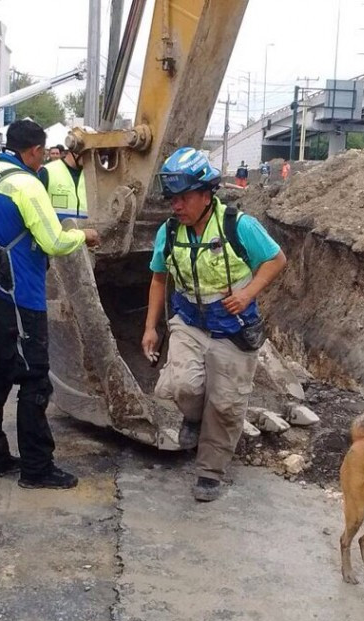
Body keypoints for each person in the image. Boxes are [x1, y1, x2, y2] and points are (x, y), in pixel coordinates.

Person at [141, 147, 287, 502]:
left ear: (206, 195)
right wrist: (150, 328)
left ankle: (209, 471)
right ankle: (192, 418)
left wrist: (249, 293)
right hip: (189, 321)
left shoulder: (239, 226)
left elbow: (276, 260)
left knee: (226, 405)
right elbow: (159, 279)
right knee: (184, 386)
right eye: (172, 199)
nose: (176, 206)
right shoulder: (169, 232)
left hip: (233, 328)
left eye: (184, 198)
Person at [0, 119, 100, 488]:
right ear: (33, 151)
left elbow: (16, 222)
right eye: (42, 151)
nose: (44, 158)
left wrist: (64, 219)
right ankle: (37, 469)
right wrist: (84, 235)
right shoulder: (27, 184)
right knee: (35, 381)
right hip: (20, 297)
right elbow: (54, 242)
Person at [38, 142, 87, 221]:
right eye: (87, 154)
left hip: (85, 231)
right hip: (55, 231)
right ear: (74, 152)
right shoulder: (48, 171)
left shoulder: (92, 174)